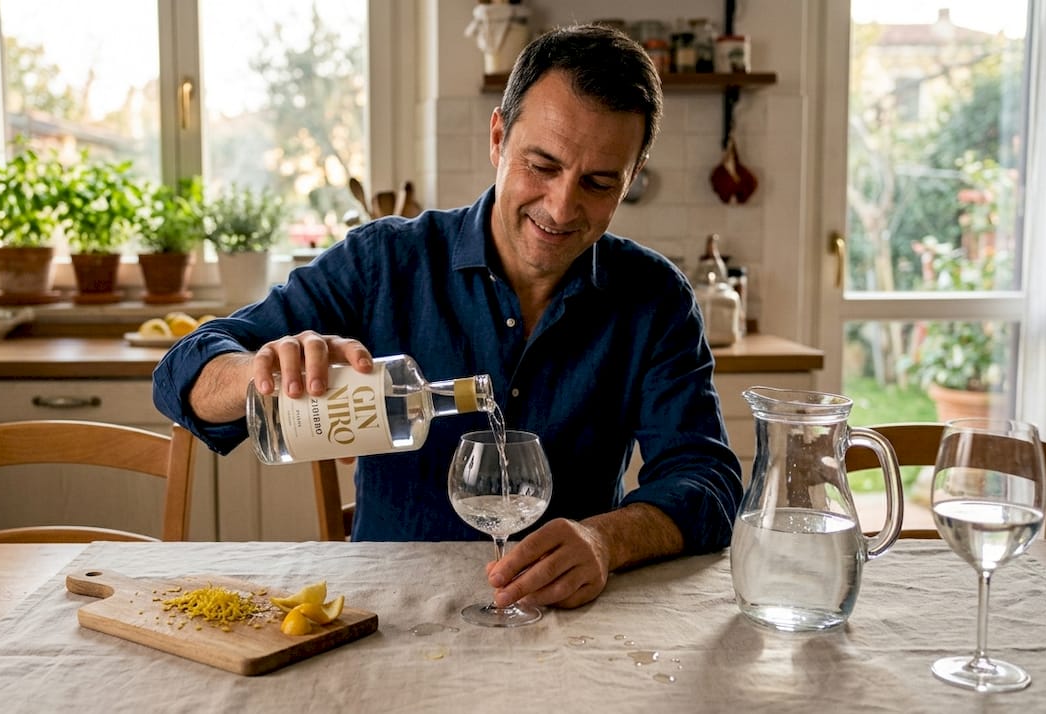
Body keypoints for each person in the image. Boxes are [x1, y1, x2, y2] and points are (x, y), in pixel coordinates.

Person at [153, 24, 742, 609]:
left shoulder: (654, 298)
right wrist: (257, 369)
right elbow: (180, 376)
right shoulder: (384, 261)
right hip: (388, 616)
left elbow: (708, 483)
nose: (562, 207)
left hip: (568, 624)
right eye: (541, 165)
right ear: (498, 138)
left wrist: (604, 538)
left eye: (598, 182)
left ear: (631, 179)